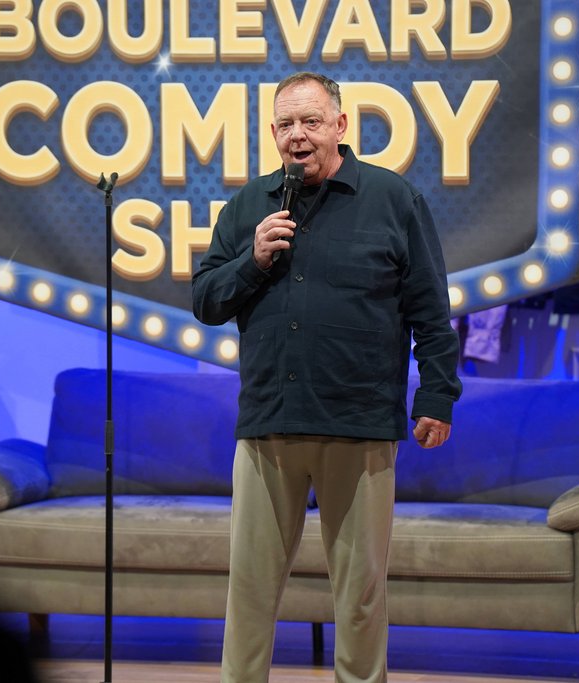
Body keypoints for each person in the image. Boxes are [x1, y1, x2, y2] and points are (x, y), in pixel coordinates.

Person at [192, 71, 463, 683]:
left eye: (311, 122)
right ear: (272, 133)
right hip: (269, 425)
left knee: (360, 594)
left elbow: (430, 311)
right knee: (250, 591)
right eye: (286, 124)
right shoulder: (247, 207)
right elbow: (206, 301)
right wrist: (251, 259)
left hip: (359, 423)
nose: (299, 135)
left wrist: (437, 395)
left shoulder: (394, 200)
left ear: (340, 125)